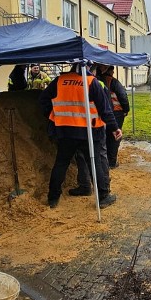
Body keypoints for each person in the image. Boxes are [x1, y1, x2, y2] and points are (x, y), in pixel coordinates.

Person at [39, 63, 122, 209]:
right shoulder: (91, 81)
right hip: (88, 132)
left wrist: (53, 117)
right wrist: (114, 128)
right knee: (95, 164)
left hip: (65, 132)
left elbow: (43, 101)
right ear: (88, 67)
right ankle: (103, 196)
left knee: (61, 163)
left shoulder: (59, 81)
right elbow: (105, 109)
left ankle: (53, 198)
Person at [97, 65, 130, 168]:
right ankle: (111, 162)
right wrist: (126, 109)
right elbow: (123, 96)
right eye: (112, 70)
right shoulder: (113, 82)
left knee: (104, 137)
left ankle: (104, 160)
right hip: (116, 113)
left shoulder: (96, 80)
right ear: (109, 70)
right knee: (115, 137)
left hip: (102, 114)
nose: (113, 73)